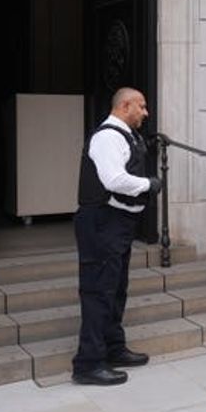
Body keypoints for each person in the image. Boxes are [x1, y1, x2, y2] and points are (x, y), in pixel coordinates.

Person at [72, 87, 161, 386]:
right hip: (102, 222)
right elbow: (114, 179)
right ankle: (88, 364)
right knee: (98, 291)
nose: (146, 113)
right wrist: (149, 184)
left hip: (117, 223)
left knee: (115, 288)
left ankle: (113, 348)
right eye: (142, 106)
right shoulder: (108, 136)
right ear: (125, 106)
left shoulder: (127, 136)